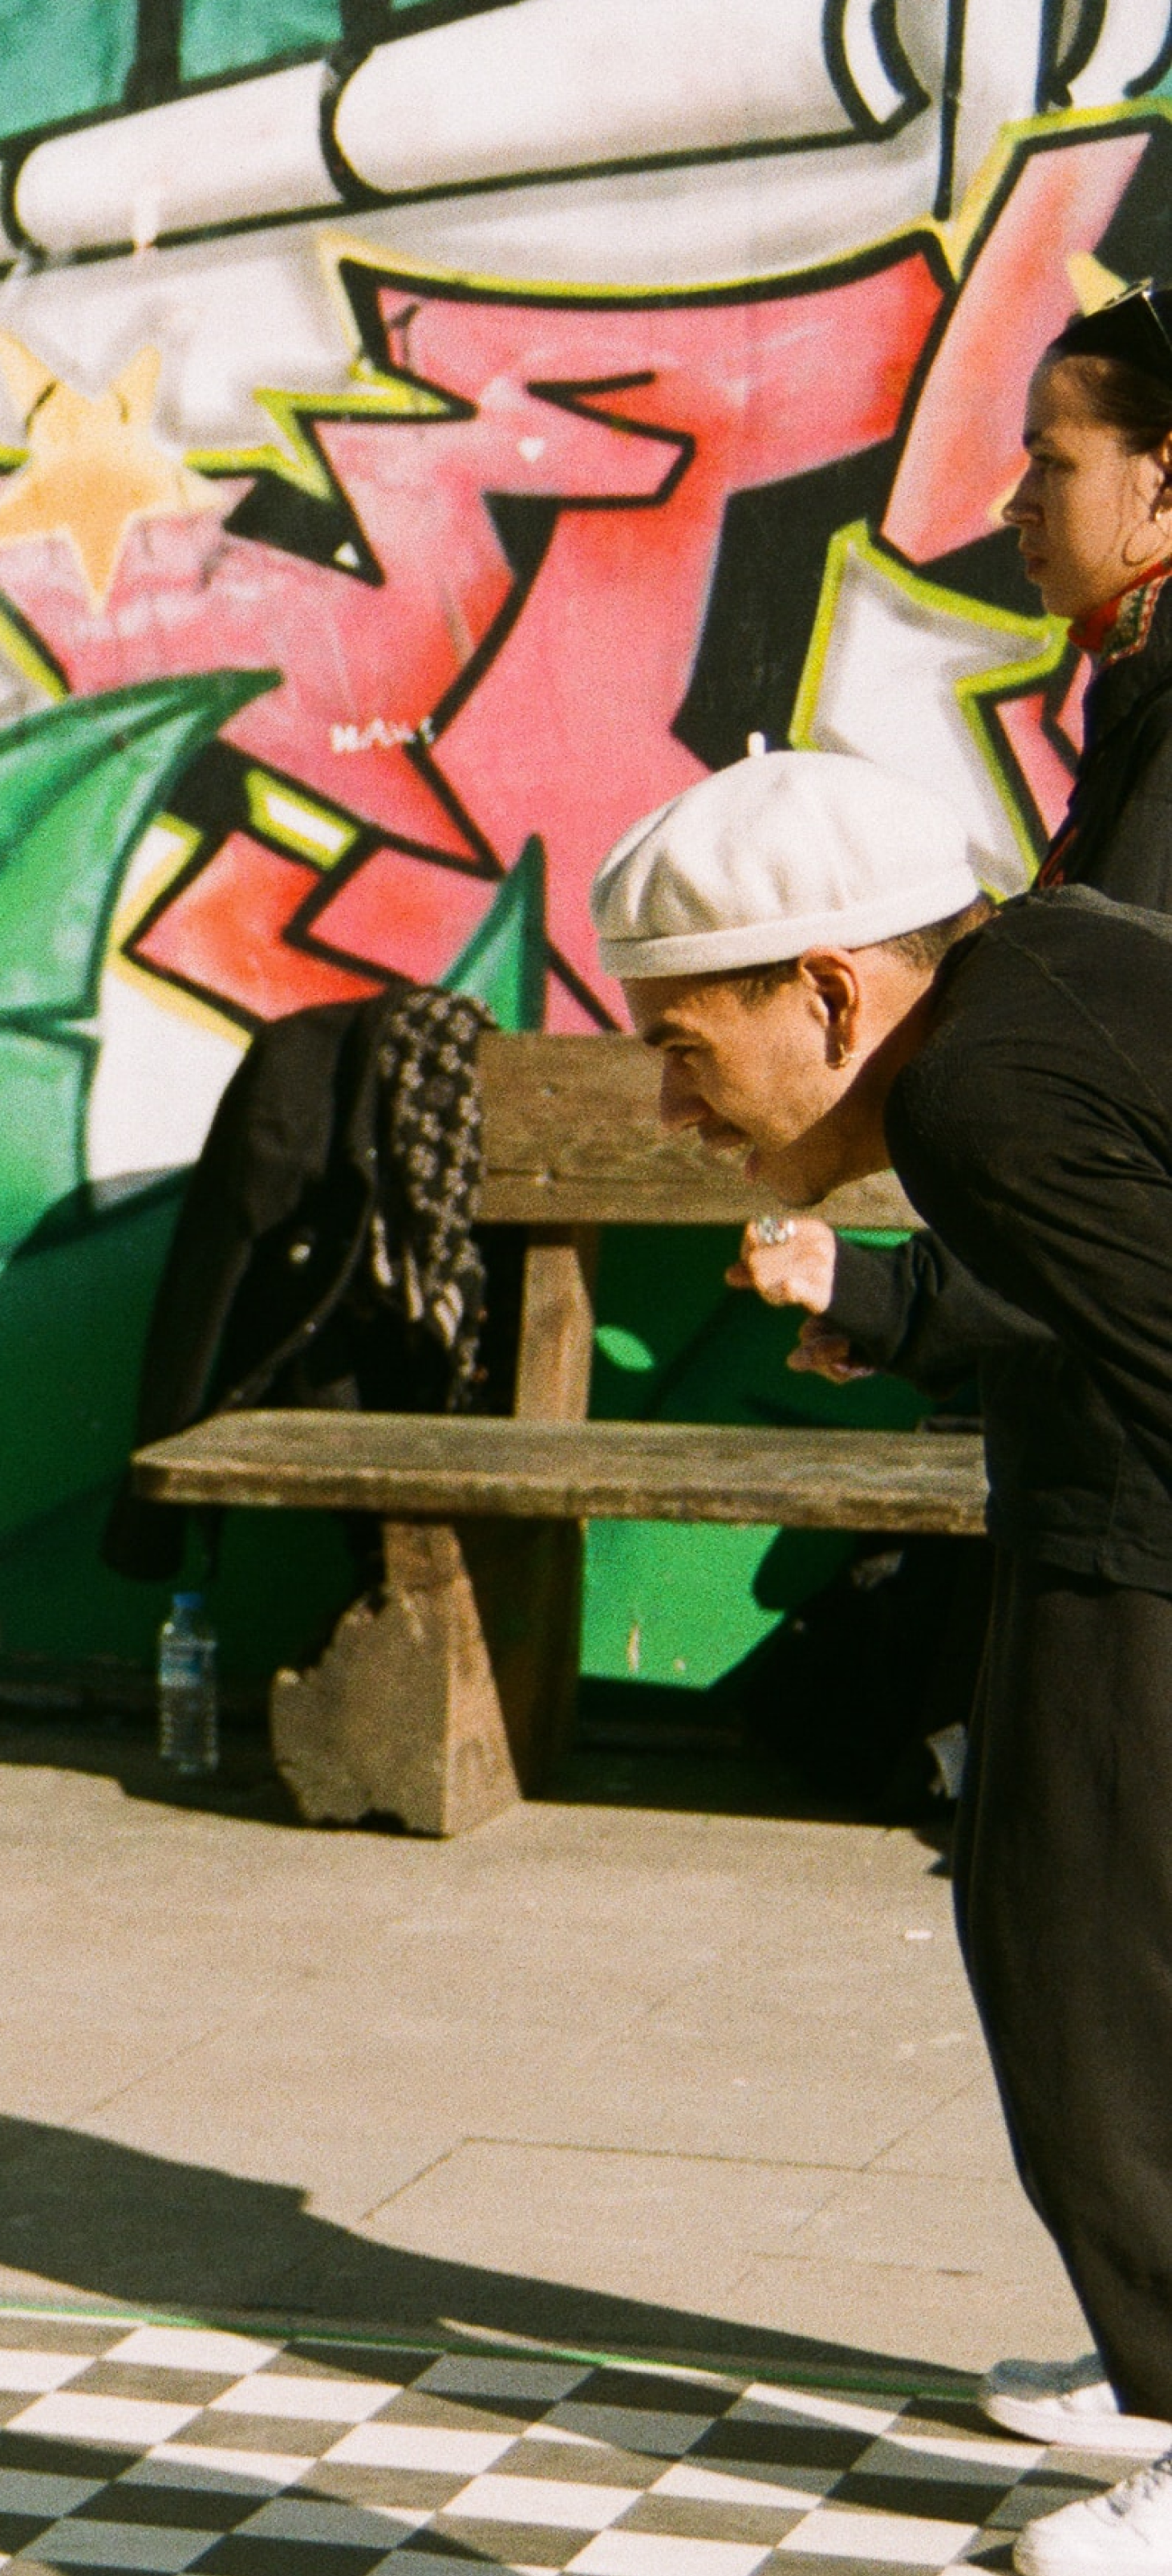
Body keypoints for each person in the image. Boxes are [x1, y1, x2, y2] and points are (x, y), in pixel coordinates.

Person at [586, 747, 1172, 2574]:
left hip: (1138, 1552)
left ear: (830, 987)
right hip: (1114, 1523)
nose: (672, 1105)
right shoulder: (1034, 989)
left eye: (685, 1044)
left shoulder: (978, 1092)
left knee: (1076, 1973)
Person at [732, 288, 1172, 2463]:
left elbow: (1124, 1184)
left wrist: (904, 1305)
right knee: (1082, 1938)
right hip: (1109, 1451)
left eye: (1058, 457)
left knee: (1089, 1950)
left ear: (1167, 487)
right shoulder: (1146, 711)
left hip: (1142, 1491)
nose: (1015, 503)